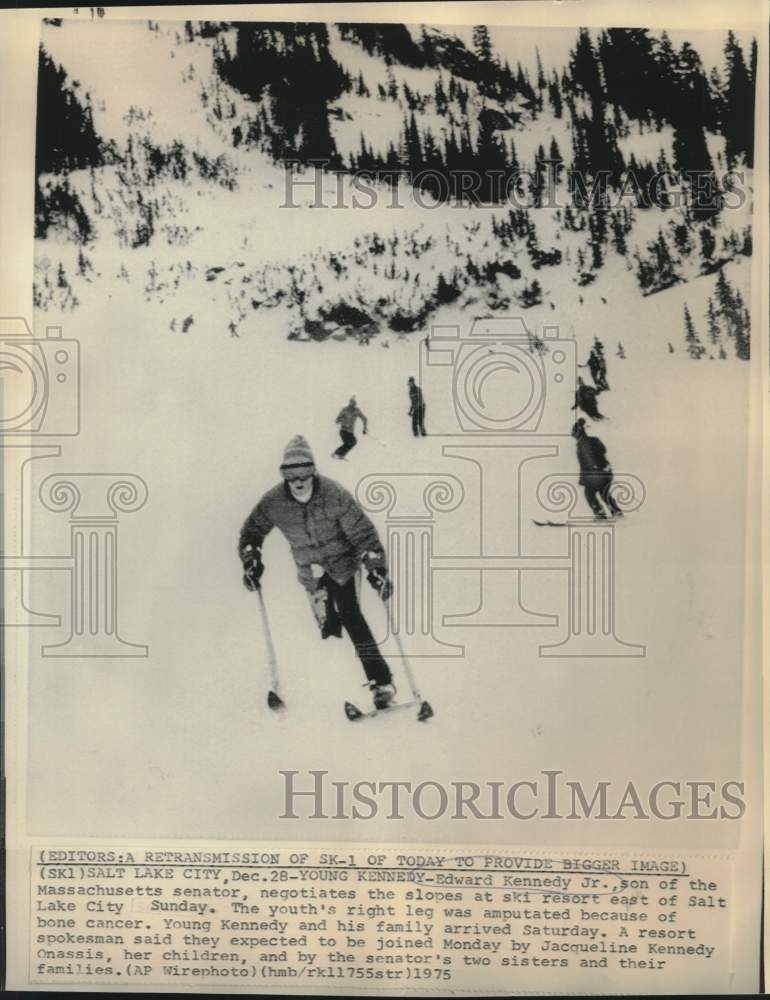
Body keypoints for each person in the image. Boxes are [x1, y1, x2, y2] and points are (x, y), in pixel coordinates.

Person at [239, 435, 396, 709]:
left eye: (304, 473)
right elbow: (251, 531)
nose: (298, 481)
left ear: (313, 471)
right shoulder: (274, 502)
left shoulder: (334, 494)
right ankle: (331, 641)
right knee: (328, 625)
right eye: (290, 474)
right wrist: (252, 558)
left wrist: (376, 568)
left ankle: (382, 683)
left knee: (351, 616)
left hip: (343, 565)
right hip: (311, 571)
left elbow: (363, 533)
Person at [572, 419, 623, 520]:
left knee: (590, 494)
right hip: (604, 472)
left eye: (574, 434)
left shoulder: (583, 444)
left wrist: (596, 468)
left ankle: (600, 513)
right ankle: (615, 511)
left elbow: (590, 460)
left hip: (596, 474)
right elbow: (603, 450)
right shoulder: (593, 440)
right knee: (604, 493)